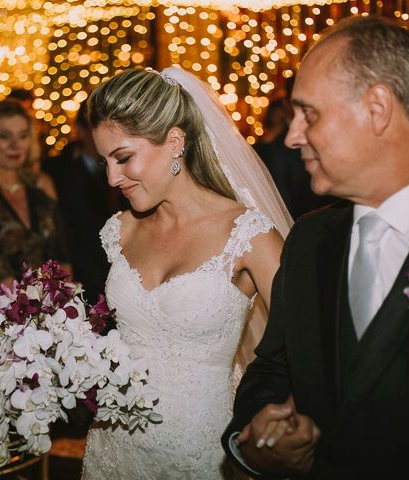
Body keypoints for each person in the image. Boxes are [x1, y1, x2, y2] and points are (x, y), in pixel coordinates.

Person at [223, 16, 409, 479]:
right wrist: (258, 437)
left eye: (309, 114)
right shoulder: (309, 240)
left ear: (378, 109)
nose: (293, 135)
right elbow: (271, 370)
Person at [81, 67, 292, 479]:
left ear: (175, 142)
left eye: (123, 157)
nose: (112, 177)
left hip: (202, 456)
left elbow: (304, 353)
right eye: (104, 160)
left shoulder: (249, 237)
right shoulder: (119, 230)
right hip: (114, 450)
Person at [0, 99, 69, 304]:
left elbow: (61, 254)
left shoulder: (42, 184)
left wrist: (64, 302)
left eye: (22, 136)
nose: (15, 145)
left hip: (49, 307)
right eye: (4, 136)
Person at [42, 100, 126, 303]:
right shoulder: (55, 174)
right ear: (80, 130)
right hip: (82, 287)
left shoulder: (132, 166)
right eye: (94, 127)